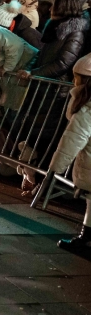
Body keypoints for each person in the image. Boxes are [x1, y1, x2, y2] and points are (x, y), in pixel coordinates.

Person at [50, 53, 91, 254]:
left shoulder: (87, 110)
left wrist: (56, 167)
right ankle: (86, 237)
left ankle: (86, 238)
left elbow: (73, 139)